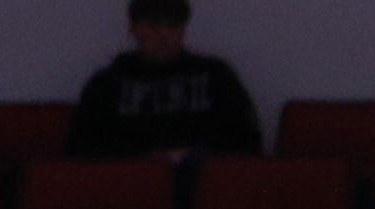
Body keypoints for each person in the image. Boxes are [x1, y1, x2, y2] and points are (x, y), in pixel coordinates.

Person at [70, 0, 262, 156]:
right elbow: (81, 149)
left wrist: (194, 155)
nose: (164, 34)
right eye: (153, 24)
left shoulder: (216, 77)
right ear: (133, 29)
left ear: (184, 29)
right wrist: (147, 160)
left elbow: (248, 141)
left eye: (173, 24)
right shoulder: (106, 85)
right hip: (130, 184)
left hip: (204, 184)